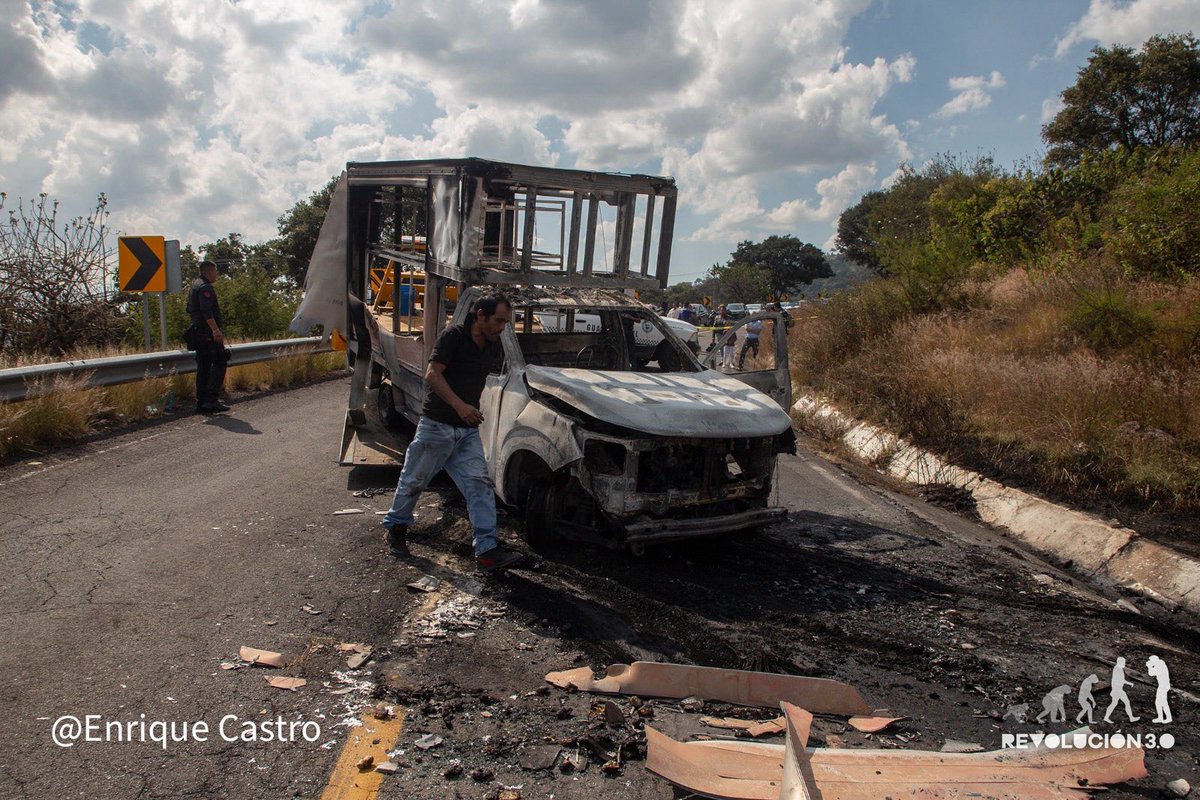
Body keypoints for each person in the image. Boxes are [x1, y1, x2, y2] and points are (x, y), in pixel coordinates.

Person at [380, 294, 524, 573]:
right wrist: (460, 406)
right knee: (414, 480)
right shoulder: (453, 337)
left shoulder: (492, 346)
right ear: (480, 315)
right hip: (437, 426)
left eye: (506, 322)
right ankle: (396, 529)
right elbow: (432, 374)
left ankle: (487, 552)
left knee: (480, 486)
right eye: (498, 321)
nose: (502, 328)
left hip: (467, 432)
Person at [186, 260, 230, 414]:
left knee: (203, 367)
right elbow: (206, 311)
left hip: (198, 332)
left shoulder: (194, 286)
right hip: (207, 333)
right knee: (220, 361)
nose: (216, 275)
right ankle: (211, 399)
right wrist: (215, 330)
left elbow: (190, 309)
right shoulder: (205, 287)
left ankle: (202, 402)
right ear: (209, 271)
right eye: (215, 271)